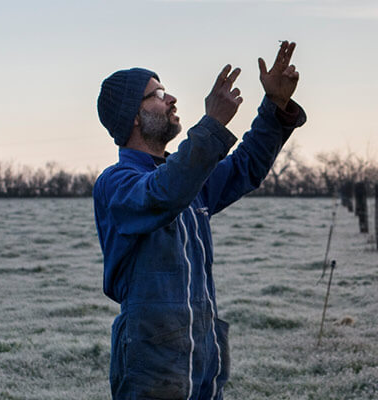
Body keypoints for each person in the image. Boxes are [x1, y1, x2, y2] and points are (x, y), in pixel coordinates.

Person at [92, 41, 304, 399]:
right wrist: (213, 123)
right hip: (151, 367)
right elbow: (163, 192)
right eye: (157, 93)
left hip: (204, 359)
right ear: (134, 116)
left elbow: (245, 166)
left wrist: (275, 106)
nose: (171, 98)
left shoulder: (189, 178)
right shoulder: (117, 184)